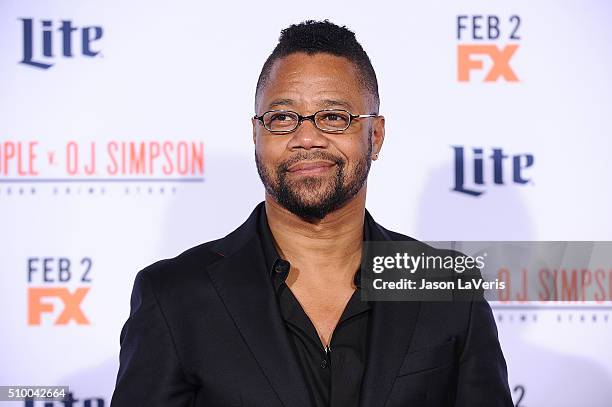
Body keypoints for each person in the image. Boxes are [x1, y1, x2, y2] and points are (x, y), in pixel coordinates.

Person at [111, 20, 513, 407]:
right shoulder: (174, 296)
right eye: (282, 117)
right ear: (257, 134)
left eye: (334, 117)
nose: (306, 138)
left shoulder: (446, 287)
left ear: (375, 135)